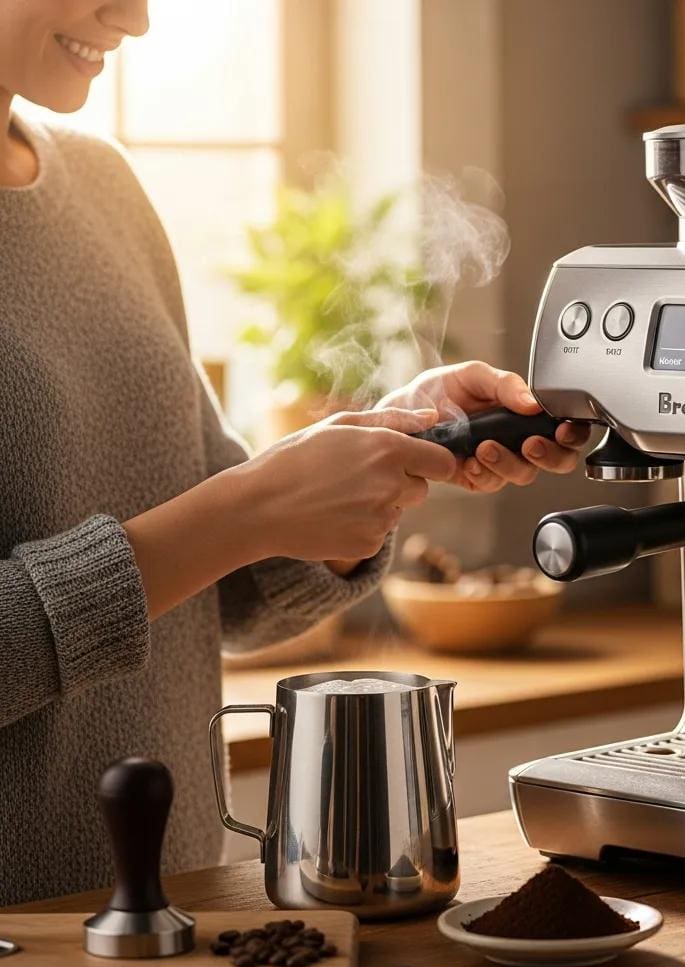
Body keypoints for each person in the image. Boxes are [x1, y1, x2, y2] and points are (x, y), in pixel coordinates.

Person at [0, 0, 589, 905]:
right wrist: (245, 510)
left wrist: (373, 458)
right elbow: (208, 531)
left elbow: (222, 600)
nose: (137, 18)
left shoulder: (101, 187)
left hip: (181, 920)